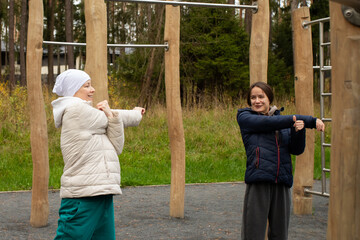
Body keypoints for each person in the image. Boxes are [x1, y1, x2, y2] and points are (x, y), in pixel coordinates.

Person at [51, 69, 145, 240]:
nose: (92, 89)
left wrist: (111, 115)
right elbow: (115, 117)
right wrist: (134, 114)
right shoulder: (75, 110)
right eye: (87, 86)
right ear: (73, 90)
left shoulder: (91, 117)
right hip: (83, 196)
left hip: (101, 192)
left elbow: (116, 148)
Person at [236, 82, 325, 240]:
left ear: (269, 98)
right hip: (259, 181)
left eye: (261, 97)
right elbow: (267, 123)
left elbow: (296, 150)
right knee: (253, 233)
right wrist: (309, 120)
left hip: (282, 182)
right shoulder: (245, 117)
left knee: (280, 234)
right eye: (253, 98)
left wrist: (299, 131)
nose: (257, 101)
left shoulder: (283, 122)